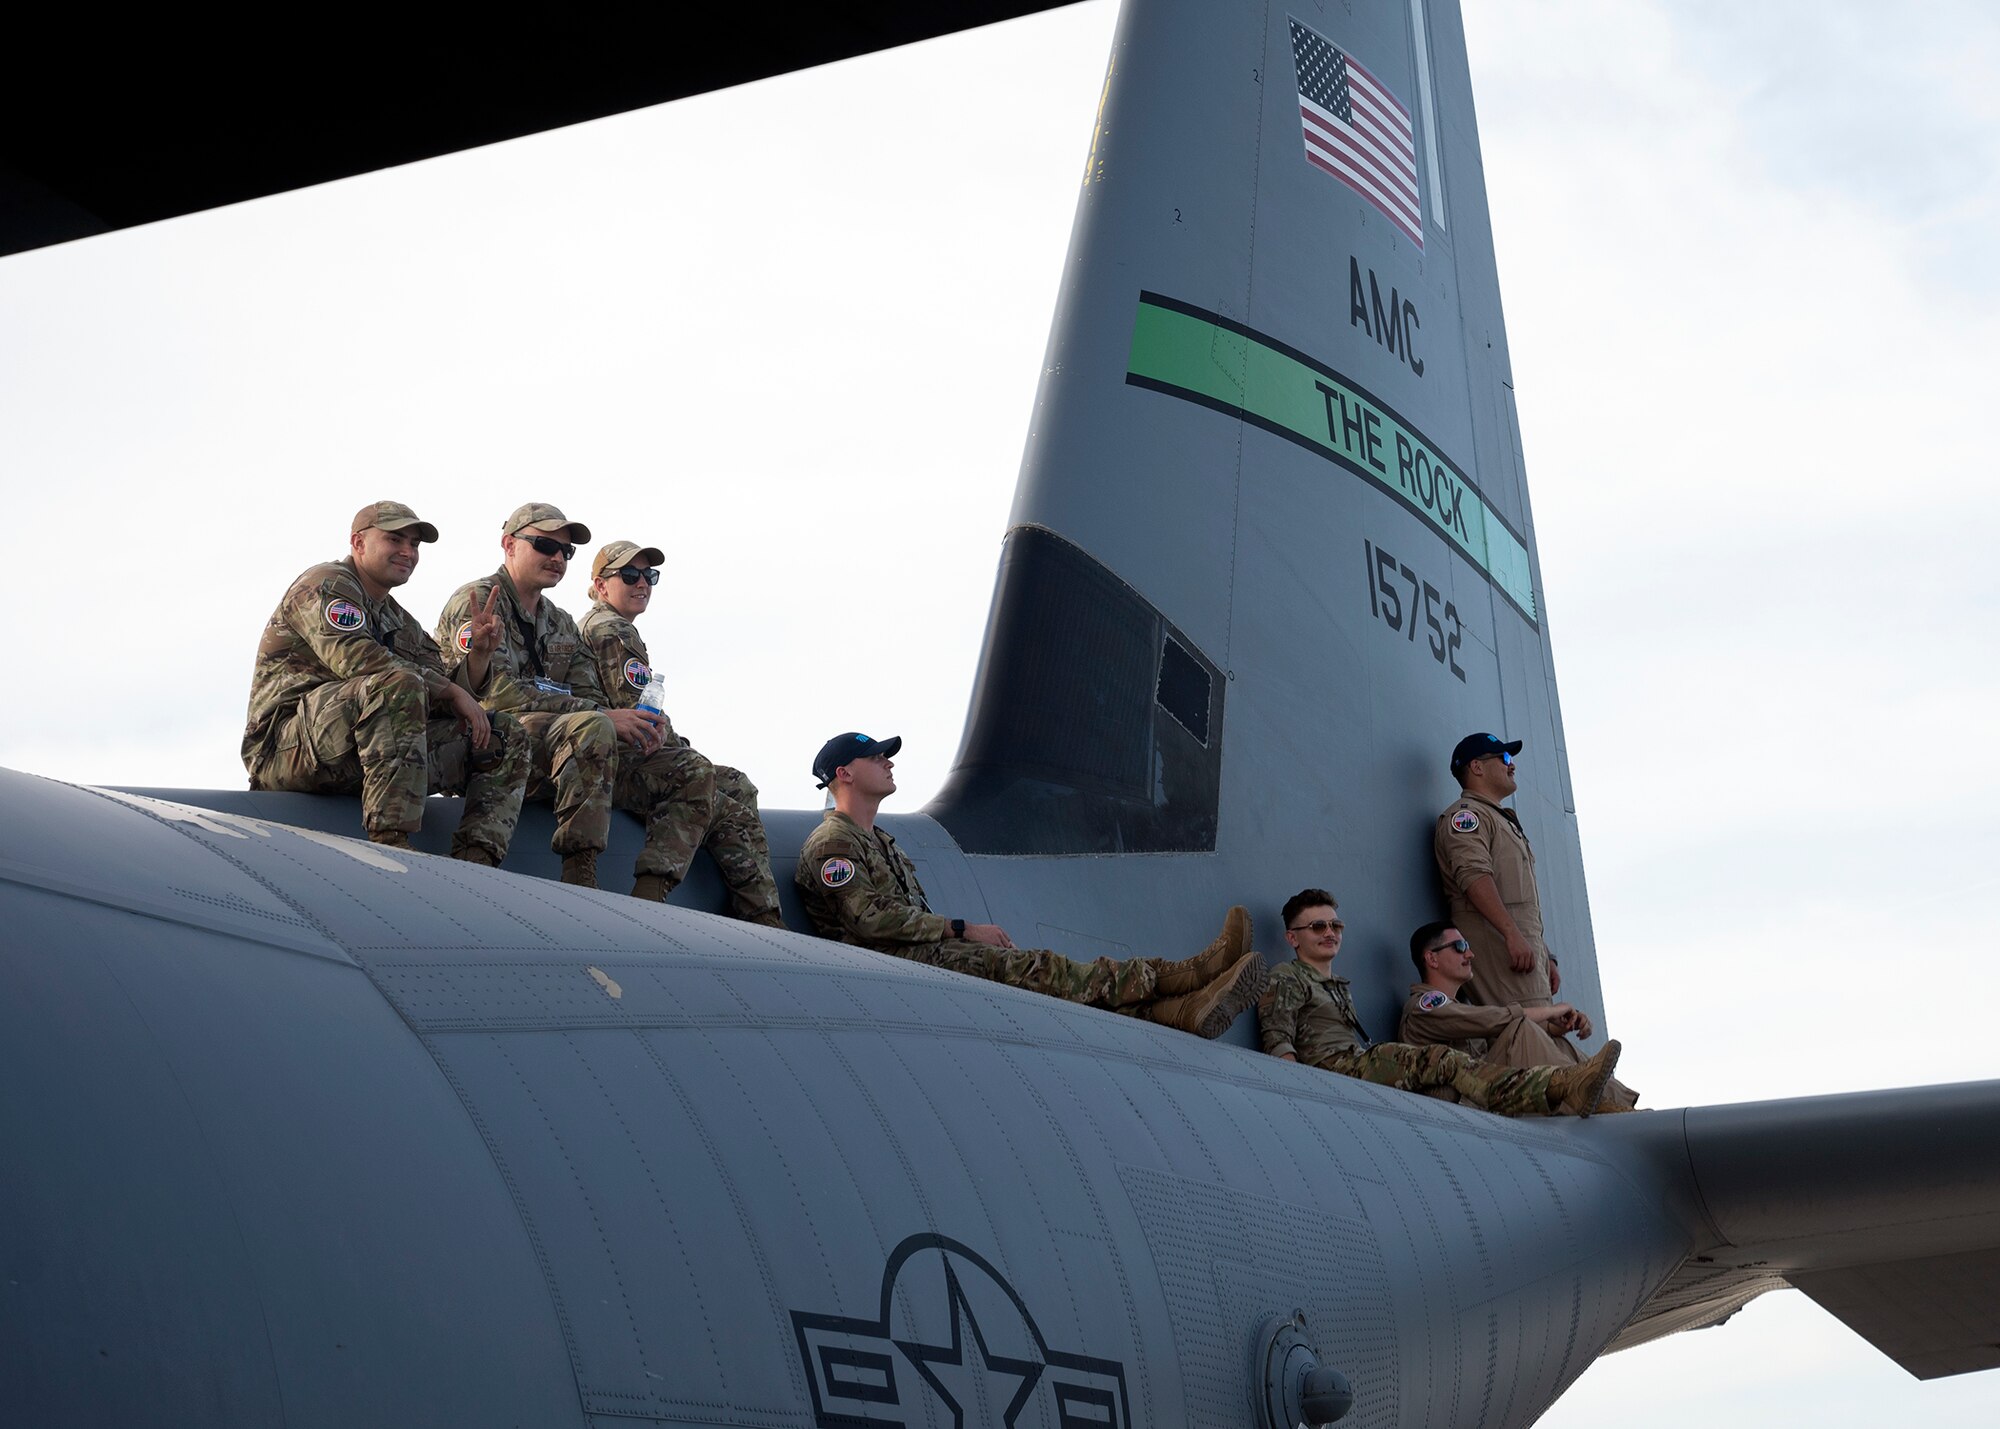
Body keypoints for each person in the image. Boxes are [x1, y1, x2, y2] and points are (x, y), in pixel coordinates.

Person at [435, 504, 781, 922]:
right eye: (546, 545)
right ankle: (580, 870)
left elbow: (587, 692)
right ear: (509, 544)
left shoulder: (560, 623)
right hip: (502, 743)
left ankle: (649, 897)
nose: (558, 558)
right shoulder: (477, 603)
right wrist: (600, 715)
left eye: (566, 551)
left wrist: (620, 722)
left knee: (691, 769)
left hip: (571, 745)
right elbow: (495, 696)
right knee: (594, 724)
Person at [796, 731, 1265, 1036]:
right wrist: (963, 929)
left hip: (915, 959)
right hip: (890, 966)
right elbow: (869, 921)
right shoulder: (832, 843)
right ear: (845, 773)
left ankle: (1179, 1009)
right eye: (876, 757)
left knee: (1050, 982)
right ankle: (1186, 976)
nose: (888, 763)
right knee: (1044, 970)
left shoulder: (881, 840)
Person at [243, 501, 531, 860]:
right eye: (395, 540)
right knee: (398, 684)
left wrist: (479, 657)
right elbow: (356, 659)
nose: (408, 552)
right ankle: (390, 844)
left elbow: (444, 694)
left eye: (414, 544)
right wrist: (449, 689)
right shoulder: (326, 584)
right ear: (358, 543)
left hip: (360, 756)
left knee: (503, 733)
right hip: (287, 752)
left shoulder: (400, 620)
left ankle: (477, 861)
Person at [1256, 888, 1621, 1117]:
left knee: (1522, 1040)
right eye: (1317, 927)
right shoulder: (1288, 977)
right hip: (1335, 1070)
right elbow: (1278, 1038)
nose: (1329, 933)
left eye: (1335, 926)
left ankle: (1609, 1098)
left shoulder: (1335, 984)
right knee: (1444, 1059)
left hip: (1353, 1066)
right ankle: (1559, 1086)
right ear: (1293, 938)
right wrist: (1300, 1100)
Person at [576, 539, 774, 880]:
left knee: (737, 784)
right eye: (629, 574)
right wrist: (685, 755)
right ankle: (759, 916)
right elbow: (639, 716)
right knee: (732, 811)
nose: (641, 583)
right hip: (621, 762)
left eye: (648, 575)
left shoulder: (603, 626)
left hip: (617, 755)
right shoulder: (613, 629)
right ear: (601, 586)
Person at [1398, 921, 1638, 1111]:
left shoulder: (1460, 1007)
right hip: (1457, 1106)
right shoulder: (1423, 1007)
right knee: (1518, 1030)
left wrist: (1555, 1029)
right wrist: (1553, 1010)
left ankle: (1620, 1103)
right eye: (1460, 947)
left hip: (1482, 1089)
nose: (1470, 954)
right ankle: (1580, 1090)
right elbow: (1495, 1021)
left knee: (1555, 1041)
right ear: (1432, 958)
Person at [1434, 732, 1559, 1007]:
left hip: (1524, 948)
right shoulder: (1467, 817)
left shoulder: (1499, 818)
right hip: (1499, 947)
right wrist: (1511, 934)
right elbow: (1474, 877)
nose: (1511, 764)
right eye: (1504, 757)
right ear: (1476, 767)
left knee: (1541, 1027)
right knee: (1525, 1033)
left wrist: (1545, 954)